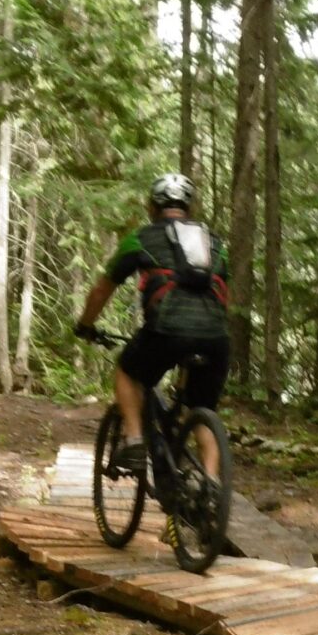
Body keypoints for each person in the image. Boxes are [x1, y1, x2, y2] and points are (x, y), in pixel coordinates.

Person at [74, 172, 230, 475]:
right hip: (216, 338)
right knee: (202, 409)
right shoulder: (215, 243)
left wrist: (86, 324)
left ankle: (133, 440)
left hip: (166, 333)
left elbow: (102, 290)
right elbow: (226, 295)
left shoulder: (141, 238)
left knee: (127, 371)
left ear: (153, 206)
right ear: (189, 206)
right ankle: (209, 485)